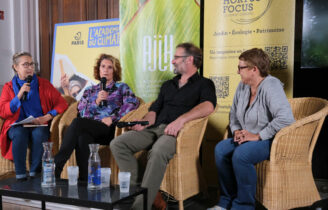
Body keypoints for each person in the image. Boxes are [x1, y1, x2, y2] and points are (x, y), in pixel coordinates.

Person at [110, 42, 217, 210]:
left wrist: (181, 120)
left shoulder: (204, 84)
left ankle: (139, 207)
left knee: (158, 150)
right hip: (154, 129)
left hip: (177, 134)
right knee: (118, 143)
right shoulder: (168, 85)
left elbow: (208, 106)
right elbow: (154, 109)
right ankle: (147, 192)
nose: (173, 61)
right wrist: (144, 122)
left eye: (176, 57)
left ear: (189, 60)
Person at [209, 48, 295, 210]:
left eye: (241, 68)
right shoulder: (243, 86)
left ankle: (243, 205)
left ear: (254, 69)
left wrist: (258, 136)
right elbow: (233, 113)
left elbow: (285, 119)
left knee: (241, 154)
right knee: (220, 149)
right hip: (245, 136)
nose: (237, 71)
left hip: (270, 140)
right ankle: (226, 201)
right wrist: (236, 131)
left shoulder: (271, 86)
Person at [54, 54, 140, 181]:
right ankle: (85, 180)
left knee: (77, 123)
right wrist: (96, 102)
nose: (105, 70)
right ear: (98, 69)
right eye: (103, 66)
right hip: (90, 128)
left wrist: (113, 118)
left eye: (110, 67)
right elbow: (82, 112)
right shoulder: (90, 91)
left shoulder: (121, 87)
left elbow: (132, 104)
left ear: (114, 71)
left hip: (110, 129)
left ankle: (56, 166)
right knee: (82, 137)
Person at [0, 52, 68, 181]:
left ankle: (35, 174)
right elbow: (3, 111)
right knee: (19, 134)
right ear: (16, 67)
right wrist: (19, 95)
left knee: (40, 134)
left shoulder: (44, 84)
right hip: (17, 125)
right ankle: (20, 175)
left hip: (38, 123)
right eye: (25, 64)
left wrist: (48, 116)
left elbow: (62, 102)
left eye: (31, 64)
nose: (30, 68)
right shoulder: (8, 87)